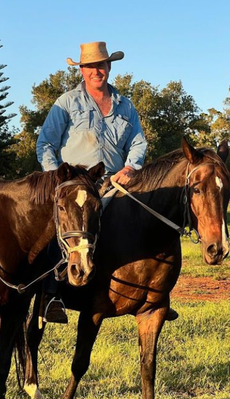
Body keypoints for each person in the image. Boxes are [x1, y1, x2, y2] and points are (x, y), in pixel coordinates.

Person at [36, 41, 178, 323]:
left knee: (145, 219)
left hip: (114, 180)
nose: (96, 71)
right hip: (74, 182)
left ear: (109, 67)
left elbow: (138, 141)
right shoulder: (66, 103)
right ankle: (51, 294)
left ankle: (154, 292)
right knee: (62, 226)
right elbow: (45, 144)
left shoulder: (125, 105)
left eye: (101, 65)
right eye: (90, 66)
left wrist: (131, 166)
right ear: (82, 70)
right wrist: (59, 180)